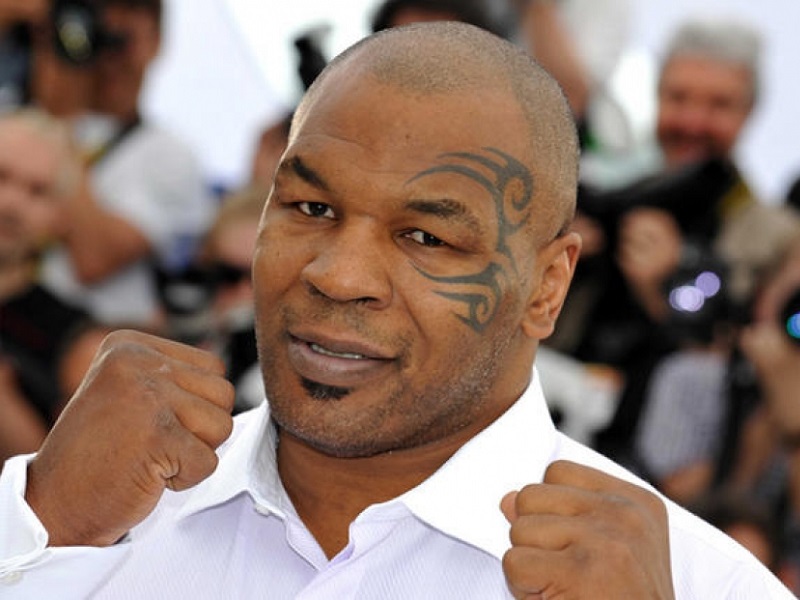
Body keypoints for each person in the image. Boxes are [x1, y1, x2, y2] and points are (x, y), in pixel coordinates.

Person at [0, 22, 793, 598]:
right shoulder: (68, 511)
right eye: (310, 208)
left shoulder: (699, 584)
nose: (340, 276)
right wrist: (41, 540)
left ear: (547, 288)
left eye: (426, 238)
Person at [39, 0, 215, 328]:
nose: (106, 52)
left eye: (122, 38)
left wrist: (60, 118)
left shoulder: (169, 154)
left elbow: (93, 259)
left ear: (156, 41)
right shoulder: (22, 125)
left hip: (96, 341)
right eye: (95, 33)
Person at [0, 108, 105, 461]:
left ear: (60, 216)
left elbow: (65, 473)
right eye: (1, 176)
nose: (11, 203)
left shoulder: (76, 340)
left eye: (38, 191)